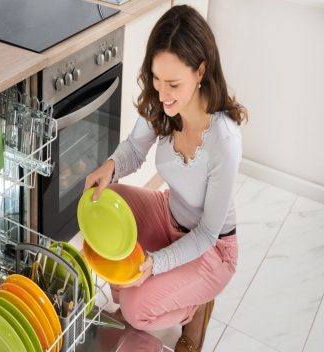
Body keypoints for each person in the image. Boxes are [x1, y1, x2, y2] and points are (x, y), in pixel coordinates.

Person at [83, 5, 248, 352]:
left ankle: (196, 307)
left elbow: (206, 233)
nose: (163, 94)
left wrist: (158, 263)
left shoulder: (224, 140)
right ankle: (155, 286)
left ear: (200, 70)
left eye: (173, 83)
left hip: (213, 248)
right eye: (157, 80)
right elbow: (135, 148)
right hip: (168, 212)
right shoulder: (162, 101)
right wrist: (109, 168)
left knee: (134, 306)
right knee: (108, 206)